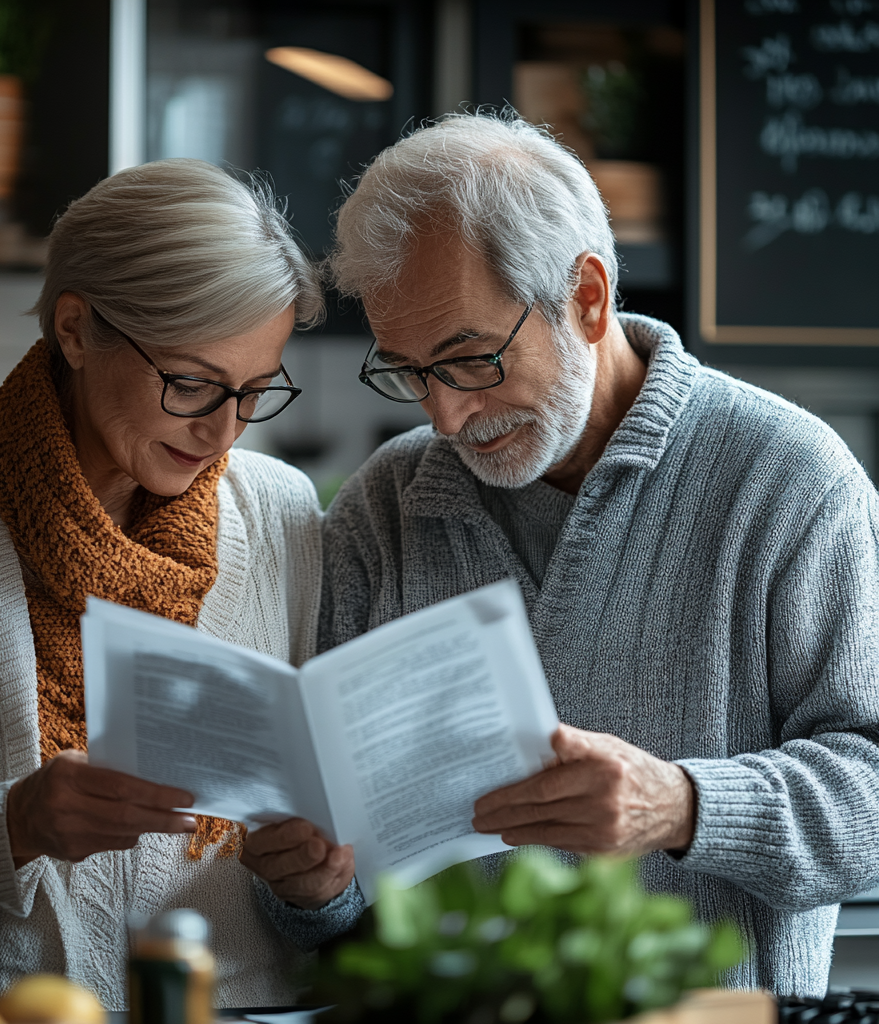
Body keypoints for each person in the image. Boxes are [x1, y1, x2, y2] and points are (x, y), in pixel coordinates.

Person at [317, 112, 879, 995]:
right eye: (409, 371)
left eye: (470, 360)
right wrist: (309, 888)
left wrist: (685, 806)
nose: (445, 416)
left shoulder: (790, 480)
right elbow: (339, 889)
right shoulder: (384, 505)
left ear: (587, 296)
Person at [0, 160, 359, 1008]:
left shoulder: (283, 517)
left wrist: (320, 880)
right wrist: (12, 824)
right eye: (192, 384)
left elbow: (334, 836)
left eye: (254, 392)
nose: (223, 431)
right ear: (78, 330)